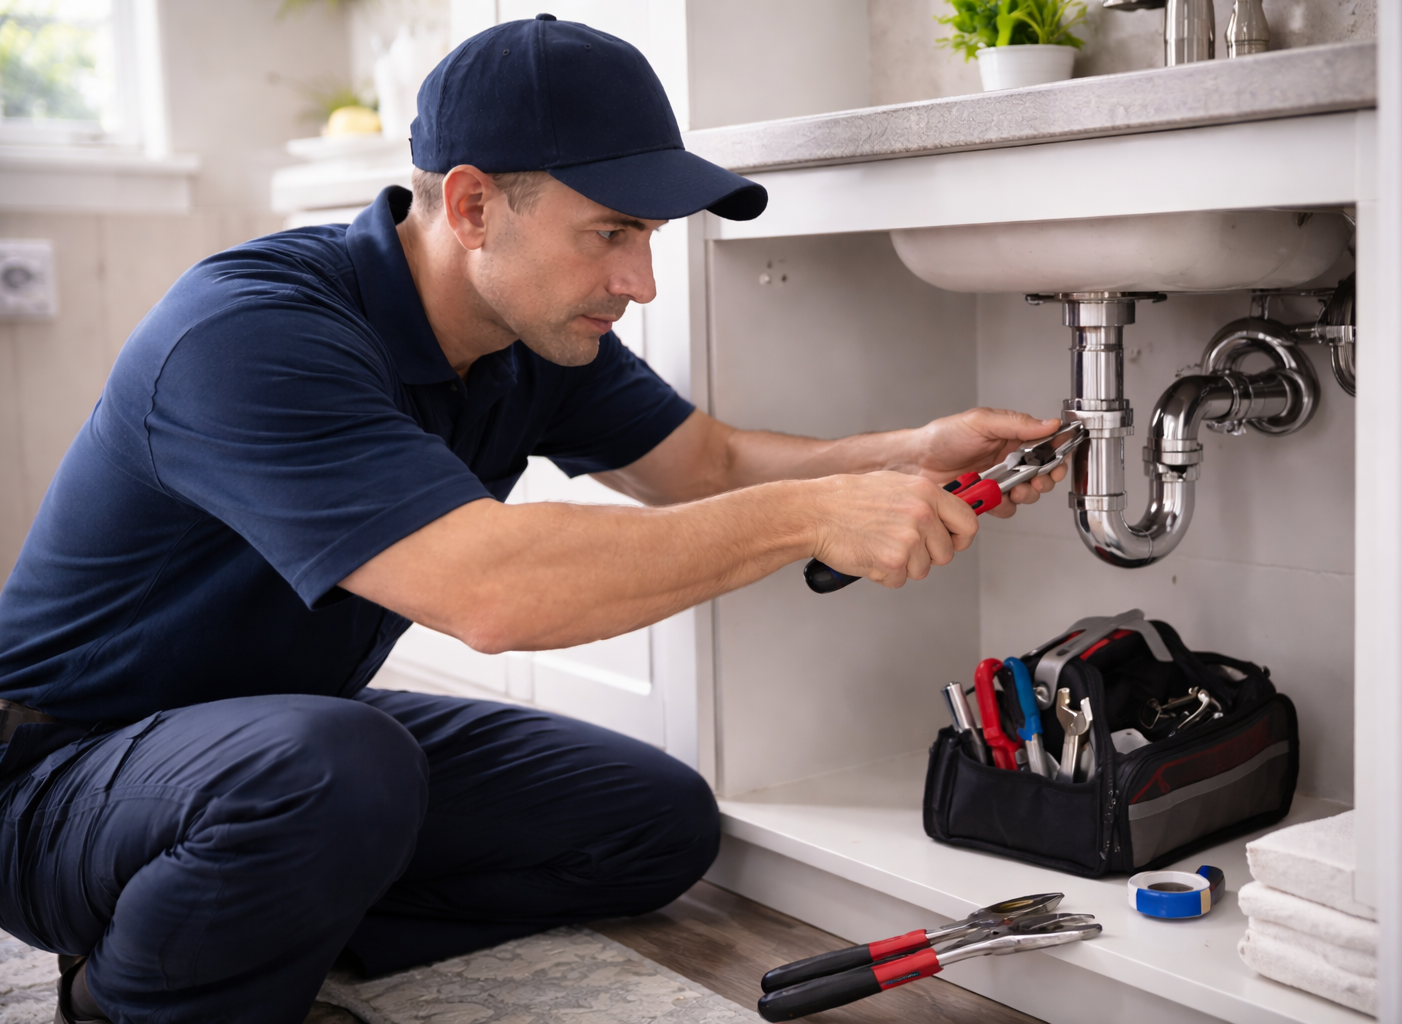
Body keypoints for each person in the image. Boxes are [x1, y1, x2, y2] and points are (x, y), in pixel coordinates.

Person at [0, 16, 1065, 1024]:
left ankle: (261, 916)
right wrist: (814, 517)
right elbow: (492, 594)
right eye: (609, 232)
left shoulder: (528, 337)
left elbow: (709, 463)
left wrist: (910, 452)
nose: (638, 280)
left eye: (644, 234)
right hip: (58, 777)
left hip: (266, 735)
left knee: (656, 822)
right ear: (470, 208)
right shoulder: (250, 333)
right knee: (339, 764)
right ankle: (132, 993)